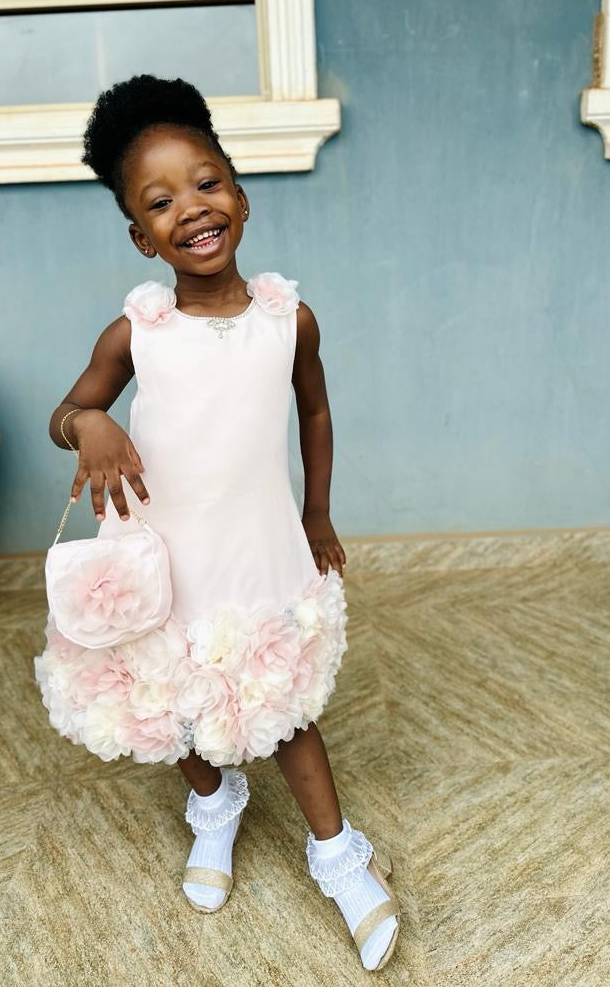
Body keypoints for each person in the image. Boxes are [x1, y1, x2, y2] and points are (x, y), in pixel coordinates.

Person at [35, 75, 400, 971]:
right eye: (160, 202)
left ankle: (337, 853)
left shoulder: (287, 320)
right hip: (164, 552)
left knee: (280, 710)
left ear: (240, 196)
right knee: (171, 701)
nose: (190, 210)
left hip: (257, 548)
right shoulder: (139, 332)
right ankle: (214, 805)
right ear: (138, 234)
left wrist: (317, 513)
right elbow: (64, 413)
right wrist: (93, 423)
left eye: (206, 184)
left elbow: (313, 413)